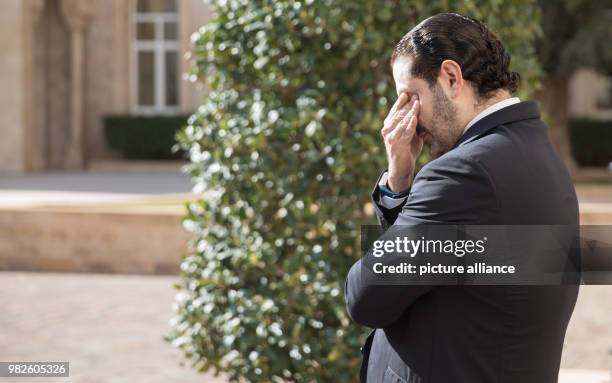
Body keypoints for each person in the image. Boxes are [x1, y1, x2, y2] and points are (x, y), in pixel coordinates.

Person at [344, 13, 579, 383]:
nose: (406, 116)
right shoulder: (538, 152)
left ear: (451, 77)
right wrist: (399, 179)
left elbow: (366, 298)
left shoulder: (462, 173)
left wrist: (402, 179)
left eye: (410, 96)